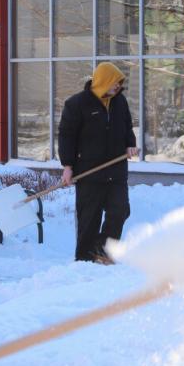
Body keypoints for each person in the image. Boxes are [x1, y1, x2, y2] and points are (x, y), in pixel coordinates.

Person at [58, 62, 138, 263]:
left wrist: (130, 144)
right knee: (89, 219)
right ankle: (84, 260)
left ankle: (102, 251)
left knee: (120, 211)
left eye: (120, 83)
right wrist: (67, 166)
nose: (118, 87)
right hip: (89, 171)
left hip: (117, 170)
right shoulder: (77, 104)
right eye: (114, 83)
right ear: (103, 81)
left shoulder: (120, 102)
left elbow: (127, 127)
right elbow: (66, 136)